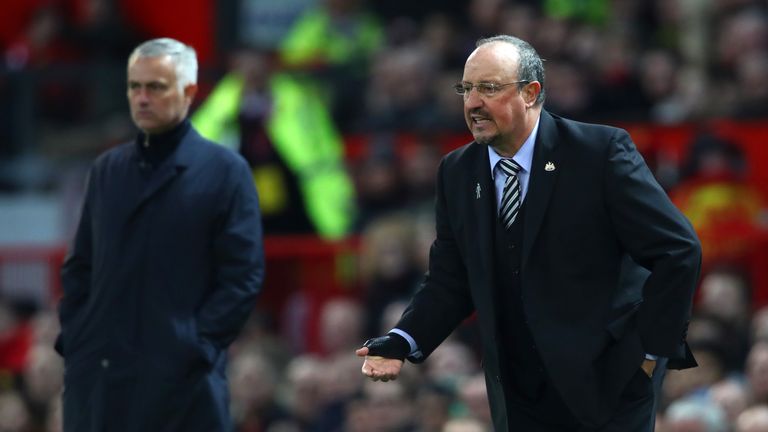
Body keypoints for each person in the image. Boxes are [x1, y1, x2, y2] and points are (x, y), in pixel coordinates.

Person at [356, 35, 702, 431]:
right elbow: (451, 281)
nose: (471, 103)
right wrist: (402, 339)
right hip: (518, 395)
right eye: (465, 89)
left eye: (488, 88)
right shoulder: (456, 171)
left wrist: (650, 354)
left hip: (607, 385)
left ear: (530, 92)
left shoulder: (598, 151)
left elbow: (678, 250)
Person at [54, 38, 265, 431]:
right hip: (99, 378)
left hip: (183, 385)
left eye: (156, 86)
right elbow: (80, 266)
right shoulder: (107, 170)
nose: (142, 98)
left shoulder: (225, 171)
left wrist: (194, 346)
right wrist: (78, 338)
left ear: (188, 92)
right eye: (135, 86)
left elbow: (243, 276)